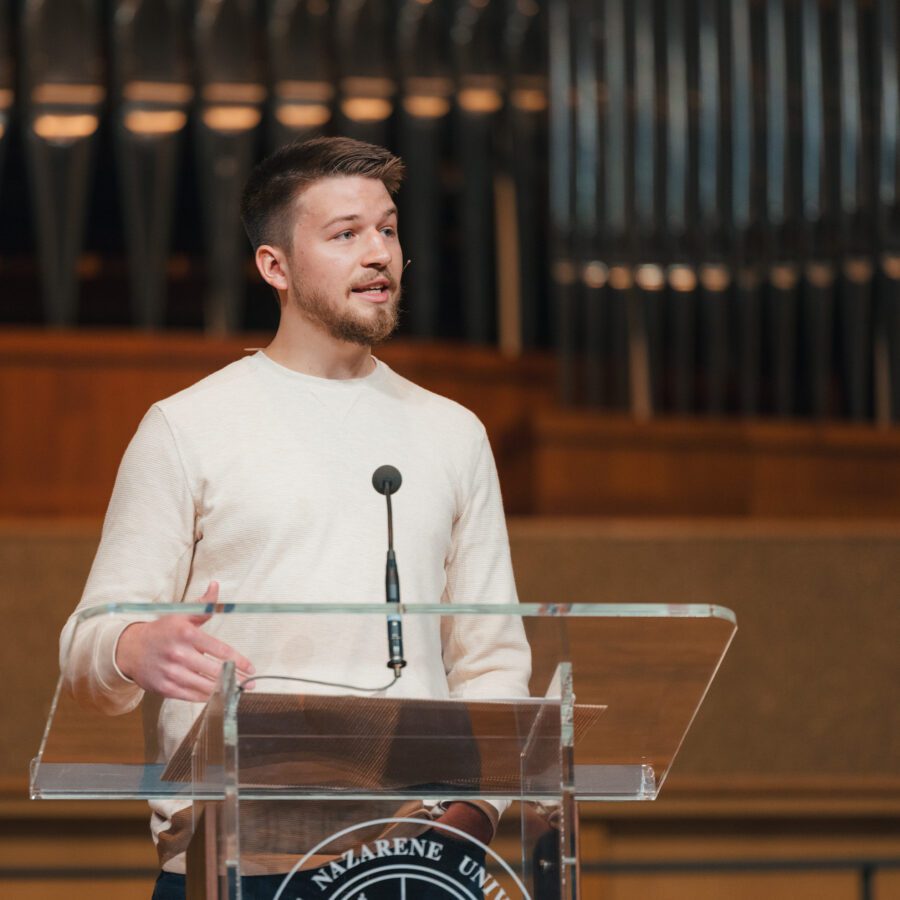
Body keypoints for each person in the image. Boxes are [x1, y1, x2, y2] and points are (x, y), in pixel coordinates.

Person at [59, 136, 531, 899]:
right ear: (274, 267)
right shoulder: (188, 427)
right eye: (344, 234)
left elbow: (494, 658)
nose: (378, 253)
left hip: (419, 861)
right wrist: (134, 645)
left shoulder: (454, 432)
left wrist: (471, 819)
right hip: (237, 859)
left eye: (387, 228)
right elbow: (88, 643)